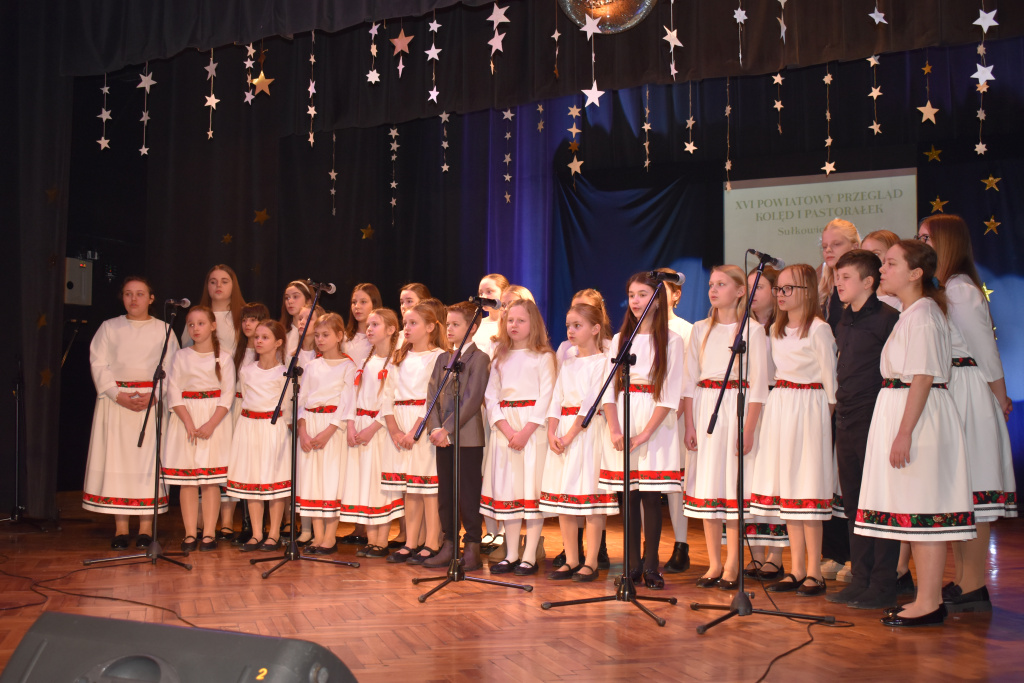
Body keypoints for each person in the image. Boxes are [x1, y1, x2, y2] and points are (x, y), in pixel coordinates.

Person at [856, 240, 975, 627]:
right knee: (916, 511)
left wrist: (904, 432)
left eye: (891, 264)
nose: (882, 269)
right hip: (905, 410)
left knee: (924, 511)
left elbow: (923, 376)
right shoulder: (913, 312)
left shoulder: (923, 313)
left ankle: (929, 602)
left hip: (919, 419)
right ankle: (928, 599)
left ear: (915, 273)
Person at [919, 215, 1016, 613]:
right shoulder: (943, 288)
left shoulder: (960, 290)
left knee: (973, 487)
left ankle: (974, 582)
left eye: (926, 238)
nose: (921, 243)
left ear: (947, 242)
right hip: (952, 388)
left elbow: (985, 350)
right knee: (959, 492)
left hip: (969, 391)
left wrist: (1000, 397)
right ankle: (963, 580)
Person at [750, 265, 837, 597]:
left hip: (810, 409)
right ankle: (796, 568)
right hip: (782, 407)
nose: (781, 294)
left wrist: (821, 423)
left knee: (807, 489)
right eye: (779, 289)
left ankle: (814, 570)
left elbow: (831, 384)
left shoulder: (819, 329)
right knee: (790, 492)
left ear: (807, 291)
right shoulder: (775, 330)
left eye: (788, 289)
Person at [825, 249, 901, 609]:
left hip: (875, 417)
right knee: (854, 502)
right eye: (837, 277)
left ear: (868, 281)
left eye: (846, 277)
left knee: (878, 502)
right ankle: (861, 578)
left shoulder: (888, 319)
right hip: (847, 418)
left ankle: (884, 582)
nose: (838, 283)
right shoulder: (843, 319)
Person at [683, 266, 767, 590]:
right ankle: (714, 564)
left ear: (740, 291)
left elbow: (758, 385)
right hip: (707, 407)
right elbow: (689, 381)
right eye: (711, 284)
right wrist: (690, 423)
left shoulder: (752, 331)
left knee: (731, 487)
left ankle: (733, 564)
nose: (713, 290)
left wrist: (749, 428)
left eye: (721, 284)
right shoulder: (700, 329)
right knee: (709, 487)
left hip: (735, 408)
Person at [601, 272, 685, 590]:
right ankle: (631, 565)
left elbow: (670, 394)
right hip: (625, 417)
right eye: (632, 295)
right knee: (629, 494)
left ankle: (651, 566)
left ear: (658, 299)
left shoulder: (672, 340)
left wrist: (646, 433)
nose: (636, 301)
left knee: (651, 495)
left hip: (655, 422)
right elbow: (608, 389)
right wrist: (614, 428)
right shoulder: (620, 339)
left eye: (643, 294)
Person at [84, 276, 179, 548]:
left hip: (150, 403)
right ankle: (121, 529)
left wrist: (155, 395)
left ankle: (146, 528)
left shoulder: (164, 330)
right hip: (117, 404)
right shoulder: (109, 327)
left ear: (151, 298)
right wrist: (117, 394)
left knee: (146, 464)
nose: (134, 299)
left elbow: (173, 367)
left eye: (140, 294)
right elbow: (99, 364)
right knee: (118, 462)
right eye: (128, 294)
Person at [542, 303, 618, 582]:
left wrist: (570, 435)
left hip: (586, 433)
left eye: (577, 325)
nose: (571, 331)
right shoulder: (568, 362)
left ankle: (591, 561)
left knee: (590, 498)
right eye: (568, 326)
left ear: (595, 329)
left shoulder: (604, 362)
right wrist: (552, 431)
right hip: (563, 430)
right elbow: (556, 398)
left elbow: (590, 403)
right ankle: (571, 559)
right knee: (564, 497)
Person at [482, 298, 556, 576]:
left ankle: (529, 555)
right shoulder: (499, 357)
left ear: (533, 323)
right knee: (509, 491)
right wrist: (506, 429)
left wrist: (525, 432)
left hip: (532, 432)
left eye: (520, 320)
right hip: (506, 431)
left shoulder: (544, 357)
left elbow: (547, 396)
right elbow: (491, 396)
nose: (514, 325)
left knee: (530, 493)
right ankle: (511, 553)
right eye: (510, 320)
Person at [422, 301, 492, 571]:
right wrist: (434, 429)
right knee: (446, 494)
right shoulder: (443, 358)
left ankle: (472, 547)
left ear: (472, 328)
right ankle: (449, 544)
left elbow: (472, 399)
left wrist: (447, 429)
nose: (449, 329)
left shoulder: (479, 358)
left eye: (456, 324)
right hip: (443, 437)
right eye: (447, 324)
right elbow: (432, 394)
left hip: (467, 437)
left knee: (467, 493)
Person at [164, 306, 235, 552]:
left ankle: (209, 533)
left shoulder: (224, 358)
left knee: (209, 480)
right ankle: (189, 533)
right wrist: (188, 421)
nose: (195, 328)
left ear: (213, 326)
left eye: (201, 323)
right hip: (186, 418)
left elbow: (227, 395)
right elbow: (173, 390)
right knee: (188, 480)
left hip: (213, 420)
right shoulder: (181, 356)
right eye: (191, 324)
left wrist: (211, 424)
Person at [383, 302, 448, 564]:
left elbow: (432, 398)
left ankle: (432, 541)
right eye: (405, 323)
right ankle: (411, 541)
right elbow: (387, 394)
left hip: (423, 424)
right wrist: (394, 429)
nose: (407, 328)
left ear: (430, 327)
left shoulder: (439, 356)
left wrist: (414, 432)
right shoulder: (399, 356)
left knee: (428, 487)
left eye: (413, 323)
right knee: (410, 488)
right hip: (400, 423)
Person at [340, 309, 404, 559]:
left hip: (379, 430)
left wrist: (372, 428)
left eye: (375, 324)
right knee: (365, 483)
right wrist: (352, 425)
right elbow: (353, 395)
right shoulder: (366, 361)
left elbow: (391, 401)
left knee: (379, 485)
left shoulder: (396, 362)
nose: (369, 329)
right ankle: (372, 539)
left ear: (391, 330)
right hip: (361, 425)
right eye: (368, 325)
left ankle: (381, 541)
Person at [294, 313, 357, 555]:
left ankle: (330, 537)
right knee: (311, 480)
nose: (320, 339)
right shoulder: (311, 366)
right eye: (317, 335)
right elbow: (302, 400)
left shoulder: (348, 366)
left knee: (330, 480)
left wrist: (329, 430)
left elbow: (347, 402)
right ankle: (317, 535)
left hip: (332, 428)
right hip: (310, 425)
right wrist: (302, 430)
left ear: (339, 336)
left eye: (325, 335)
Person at [226, 320, 291, 552]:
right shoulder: (246, 370)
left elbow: (287, 406)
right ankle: (256, 533)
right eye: (257, 337)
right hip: (249, 427)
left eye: (265, 337)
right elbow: (245, 396)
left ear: (278, 342)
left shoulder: (284, 372)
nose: (259, 341)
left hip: (273, 428)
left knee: (273, 482)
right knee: (252, 480)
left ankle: (273, 534)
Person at [743, 266, 788, 580]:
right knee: (749, 479)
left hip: (774, 403)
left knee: (772, 479)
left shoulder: (783, 327)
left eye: (759, 287)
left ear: (775, 291)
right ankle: (755, 553)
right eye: (749, 287)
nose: (752, 293)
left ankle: (776, 554)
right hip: (745, 403)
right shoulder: (741, 327)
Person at [224, 302, 270, 544]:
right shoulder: (238, 351)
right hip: (239, 409)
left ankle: (264, 526)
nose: (248, 324)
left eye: (253, 319)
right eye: (245, 320)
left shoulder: (270, 352)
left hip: (261, 413)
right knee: (244, 468)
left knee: (263, 467)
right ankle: (246, 524)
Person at [861, 230, 903, 311]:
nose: (868, 259)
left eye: (876, 254)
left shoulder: (901, 301)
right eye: (864, 255)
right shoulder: (860, 294)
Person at [342, 283, 383, 366]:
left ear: (374, 304)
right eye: (354, 302)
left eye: (363, 302)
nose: (357, 306)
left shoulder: (383, 338)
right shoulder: (343, 338)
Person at [472, 274, 510, 358]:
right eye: (481, 293)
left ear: (504, 292)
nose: (483, 297)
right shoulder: (476, 324)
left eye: (489, 292)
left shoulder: (510, 325)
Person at [279, 281, 314, 358]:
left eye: (295, 297)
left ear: (308, 300)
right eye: (287, 298)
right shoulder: (282, 333)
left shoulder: (317, 332)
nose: (290, 301)